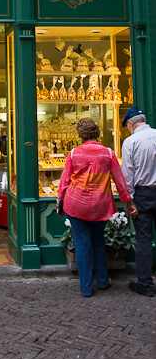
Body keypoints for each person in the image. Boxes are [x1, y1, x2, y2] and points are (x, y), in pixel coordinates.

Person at [58, 117, 137, 297]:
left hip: (76, 204)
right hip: (100, 205)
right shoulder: (108, 154)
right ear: (97, 133)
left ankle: (86, 288)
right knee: (98, 241)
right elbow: (120, 181)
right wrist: (128, 202)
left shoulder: (73, 154)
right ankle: (102, 281)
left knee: (81, 243)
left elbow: (64, 181)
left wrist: (60, 200)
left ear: (80, 135)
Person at [121, 106, 156, 297]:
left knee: (143, 240)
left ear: (130, 123)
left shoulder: (130, 142)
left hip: (143, 195)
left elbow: (128, 175)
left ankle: (145, 283)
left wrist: (129, 201)